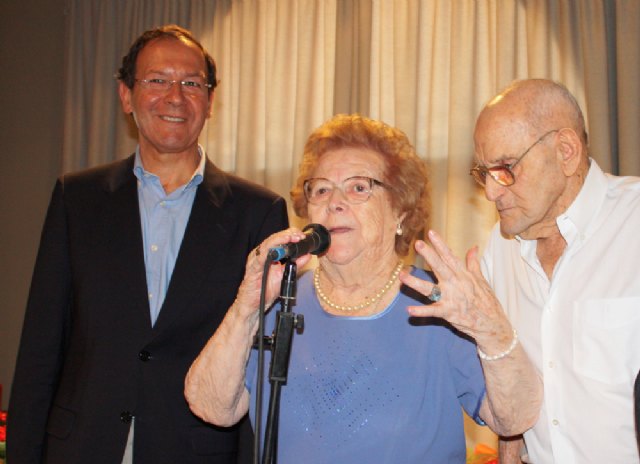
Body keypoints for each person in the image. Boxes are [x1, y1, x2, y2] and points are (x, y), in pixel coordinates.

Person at [184, 114, 540, 463]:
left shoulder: (440, 304)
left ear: (400, 211)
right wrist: (245, 305)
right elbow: (211, 407)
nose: (334, 202)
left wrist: (491, 329)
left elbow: (513, 419)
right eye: (321, 188)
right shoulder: (280, 298)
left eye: (358, 187)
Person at [7, 25, 288, 464]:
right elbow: (42, 347)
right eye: (157, 80)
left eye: (192, 83)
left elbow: (259, 365)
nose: (175, 97)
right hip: (81, 446)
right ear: (126, 96)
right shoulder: (75, 199)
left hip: (196, 450)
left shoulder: (258, 212)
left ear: (210, 102)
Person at [399, 79, 640, 463]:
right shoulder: (500, 248)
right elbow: (512, 381)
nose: (492, 192)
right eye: (484, 173)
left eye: (506, 168)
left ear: (566, 151)